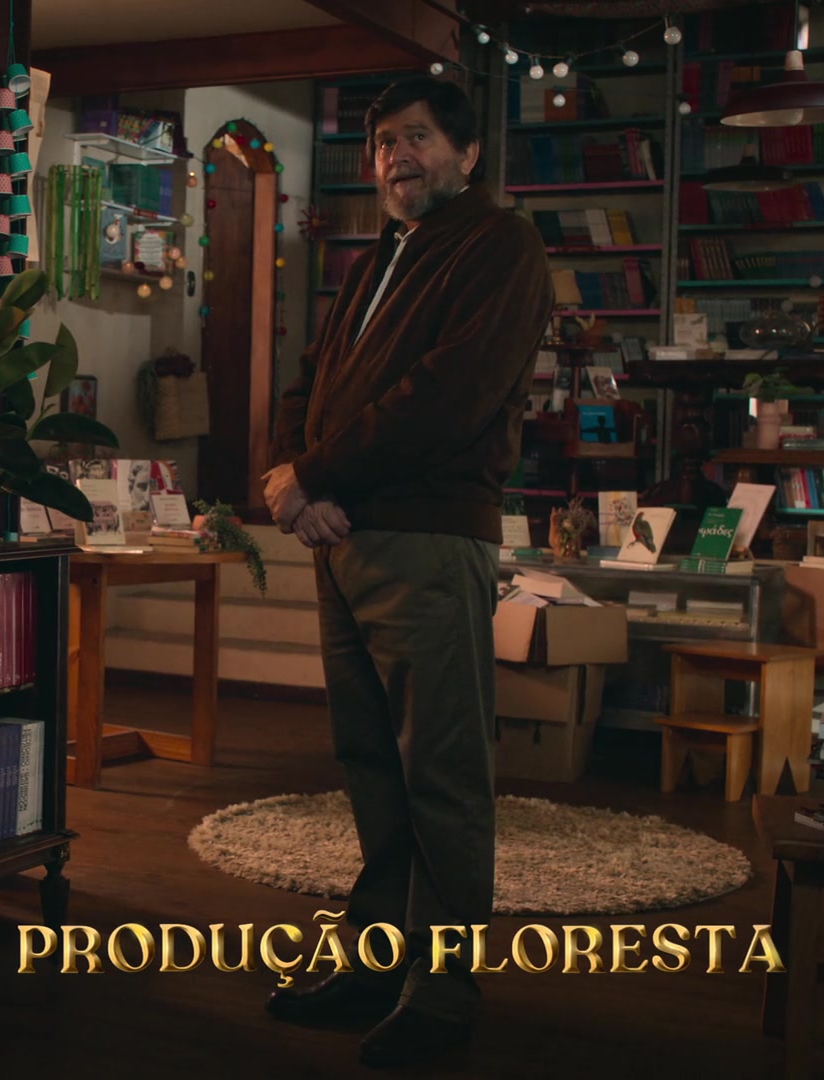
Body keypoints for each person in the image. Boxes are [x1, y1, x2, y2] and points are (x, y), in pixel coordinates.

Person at [260, 77, 552, 1069]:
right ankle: (377, 965)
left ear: (467, 154)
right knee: (372, 769)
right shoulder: (380, 255)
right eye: (384, 142)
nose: (396, 157)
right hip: (344, 538)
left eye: (417, 137)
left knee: (441, 775)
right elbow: (310, 384)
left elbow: (447, 396)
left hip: (427, 539)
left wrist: (315, 475)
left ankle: (442, 995)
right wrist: (294, 480)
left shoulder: (500, 246)